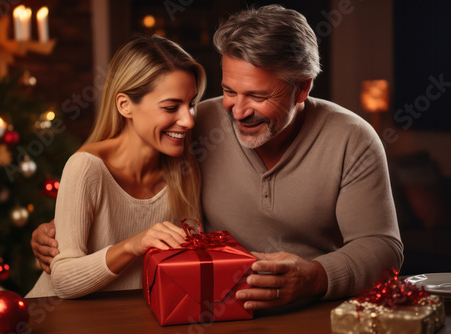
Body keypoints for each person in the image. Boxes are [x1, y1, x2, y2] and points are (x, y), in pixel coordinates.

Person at [31, 4, 403, 309]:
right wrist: (61, 232)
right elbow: (131, 187)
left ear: (302, 87)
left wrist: (315, 277)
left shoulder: (352, 139)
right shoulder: (198, 124)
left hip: (315, 310)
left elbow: (382, 248)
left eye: (257, 96)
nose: (238, 111)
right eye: (228, 90)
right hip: (215, 309)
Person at [25, 35, 206, 298]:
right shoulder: (86, 168)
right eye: (170, 107)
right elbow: (62, 281)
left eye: (191, 105)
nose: (188, 121)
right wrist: (134, 245)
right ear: (125, 105)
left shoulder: (184, 168)